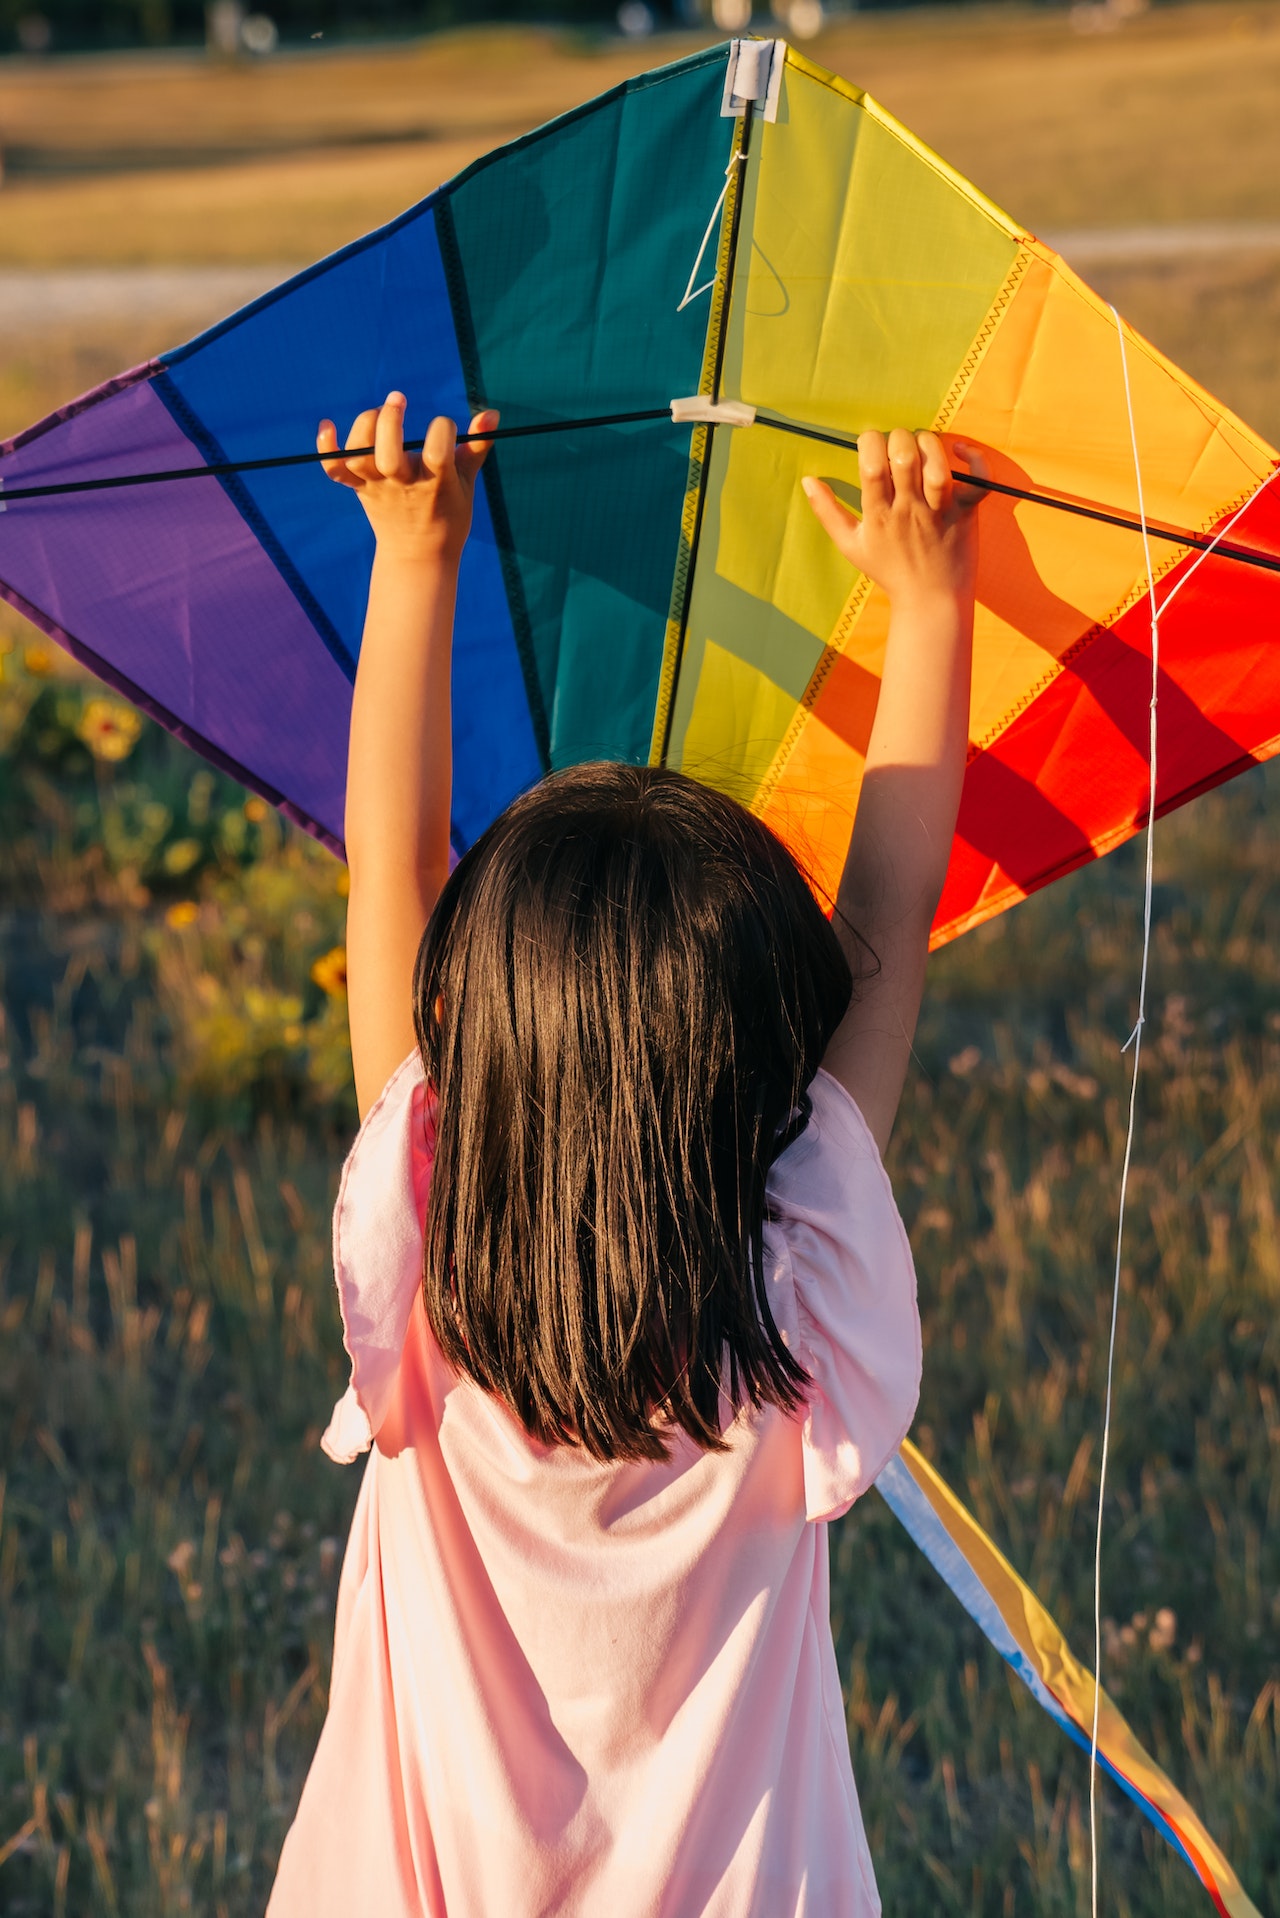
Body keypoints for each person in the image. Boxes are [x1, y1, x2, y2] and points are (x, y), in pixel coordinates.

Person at [266, 393, 982, 1917]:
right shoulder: (793, 1305)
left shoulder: (428, 1245)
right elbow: (886, 932)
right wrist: (931, 604)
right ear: (758, 1074)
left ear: (465, 1040)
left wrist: (416, 555)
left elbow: (391, 865)